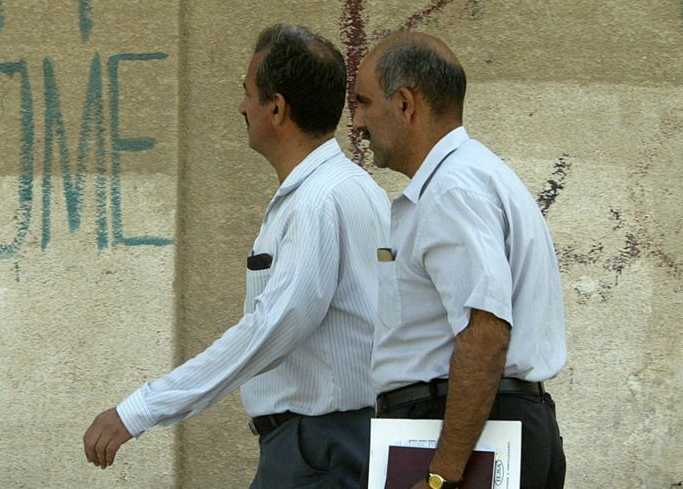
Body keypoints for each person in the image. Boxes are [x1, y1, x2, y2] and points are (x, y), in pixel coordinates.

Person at [83, 25, 389, 488]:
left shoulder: (317, 202)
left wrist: (140, 409)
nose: (242, 107)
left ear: (277, 107)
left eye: (248, 93)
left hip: (319, 451)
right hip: (332, 446)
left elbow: (270, 328)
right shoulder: (354, 189)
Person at [351, 32, 566, 489]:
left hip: (464, 440)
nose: (356, 122)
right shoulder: (472, 176)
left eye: (365, 102)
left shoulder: (452, 190)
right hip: (484, 429)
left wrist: (441, 477)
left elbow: (486, 333)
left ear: (406, 104)